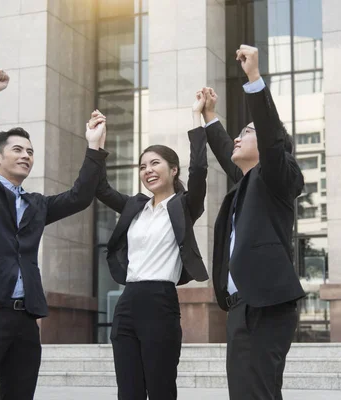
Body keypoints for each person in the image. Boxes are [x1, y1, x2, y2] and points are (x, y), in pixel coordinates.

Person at [0, 69, 107, 400]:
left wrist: (94, 146)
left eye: (30, 152)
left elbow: (80, 197)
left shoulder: (37, 204)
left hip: (25, 317)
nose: (26, 156)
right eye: (18, 150)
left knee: (20, 393)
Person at [90, 91, 210, 400]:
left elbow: (199, 172)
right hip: (128, 302)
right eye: (142, 166)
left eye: (155, 163)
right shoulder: (135, 206)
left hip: (160, 302)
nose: (148, 171)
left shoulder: (184, 205)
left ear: (173, 170)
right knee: (128, 391)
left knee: (160, 388)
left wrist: (197, 118)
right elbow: (100, 187)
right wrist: (95, 145)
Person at [201, 45, 306, 400]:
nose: (238, 137)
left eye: (246, 131)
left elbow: (273, 137)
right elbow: (226, 153)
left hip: (265, 304)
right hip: (241, 306)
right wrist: (210, 117)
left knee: (256, 394)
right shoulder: (247, 182)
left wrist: (254, 79)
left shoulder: (277, 175)